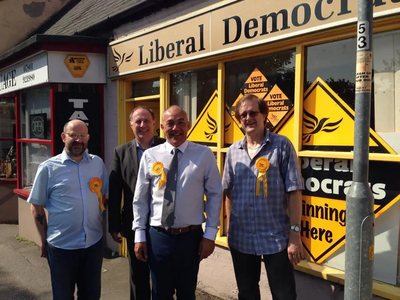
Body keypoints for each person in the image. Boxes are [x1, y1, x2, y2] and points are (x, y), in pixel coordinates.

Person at [133, 105, 222, 300]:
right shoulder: (150, 156)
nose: (176, 128)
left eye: (181, 122)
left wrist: (210, 234)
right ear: (162, 127)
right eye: (170, 124)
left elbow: (215, 194)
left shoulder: (204, 154)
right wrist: (139, 234)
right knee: (159, 294)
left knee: (187, 294)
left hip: (190, 239)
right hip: (158, 237)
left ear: (188, 125)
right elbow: (140, 199)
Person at [222, 94, 304, 300]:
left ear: (265, 115)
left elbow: (294, 192)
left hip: (276, 238)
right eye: (243, 115)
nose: (248, 118)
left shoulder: (282, 145)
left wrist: (295, 235)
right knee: (247, 293)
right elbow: (228, 193)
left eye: (253, 112)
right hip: (241, 239)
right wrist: (230, 227)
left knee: (284, 294)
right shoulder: (233, 151)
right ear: (239, 121)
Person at [28, 119, 109, 300]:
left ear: (88, 138)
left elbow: (103, 197)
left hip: (92, 245)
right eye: (73, 135)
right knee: (63, 296)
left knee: (91, 295)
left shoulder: (97, 164)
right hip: (61, 247)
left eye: (82, 136)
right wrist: (44, 239)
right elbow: (36, 206)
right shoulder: (48, 168)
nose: (78, 140)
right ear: (64, 137)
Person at [108, 106, 165, 300]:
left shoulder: (167, 147)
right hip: (134, 224)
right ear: (131, 125)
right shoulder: (121, 152)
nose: (142, 125)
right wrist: (114, 225)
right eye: (138, 121)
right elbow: (115, 191)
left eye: (146, 121)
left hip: (164, 224)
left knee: (163, 276)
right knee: (138, 276)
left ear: (154, 123)